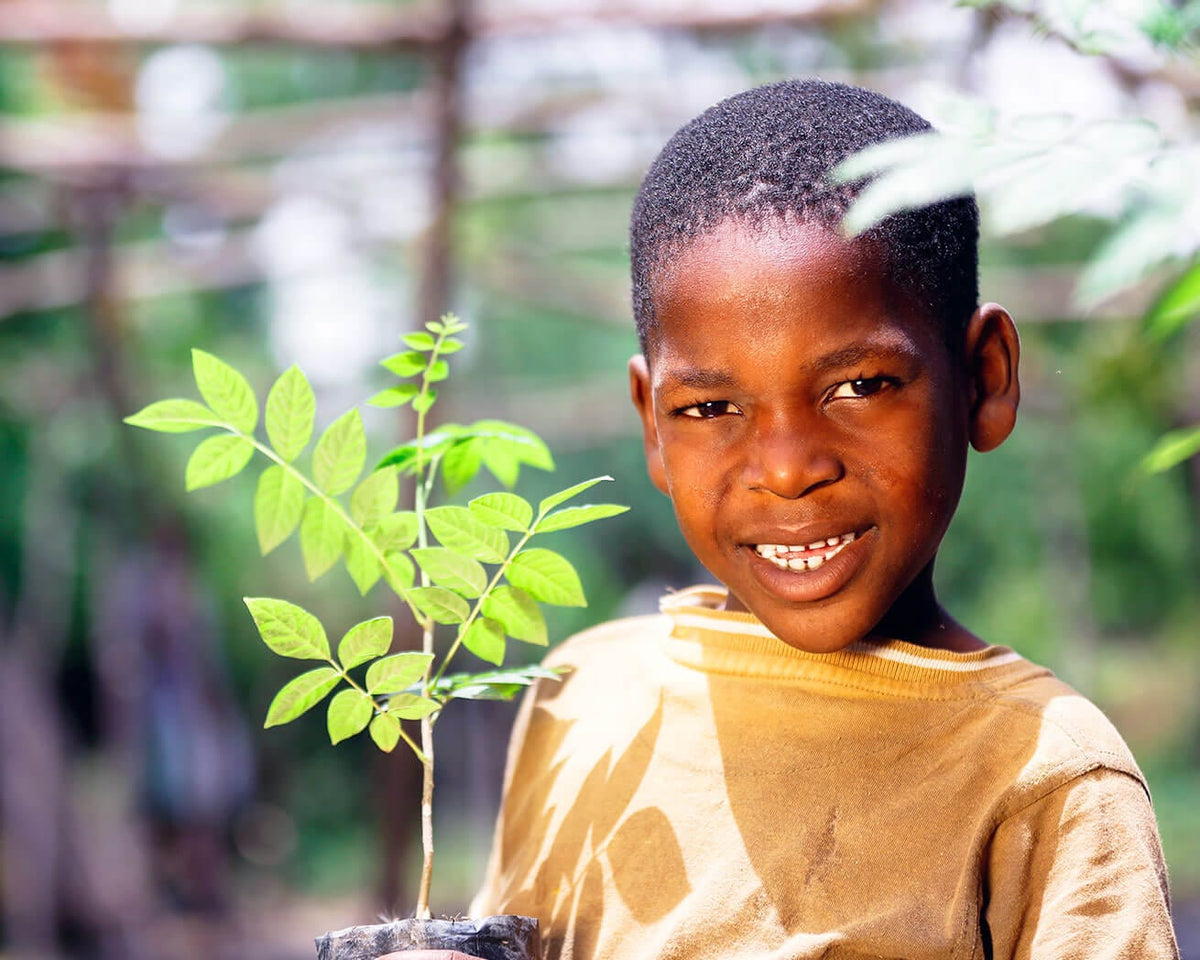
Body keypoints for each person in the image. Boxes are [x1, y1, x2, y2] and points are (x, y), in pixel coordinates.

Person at [380, 79, 1179, 959]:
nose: (789, 467)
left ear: (984, 377)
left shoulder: (1045, 778)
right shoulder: (584, 694)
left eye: (859, 387)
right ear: (652, 423)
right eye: (711, 408)